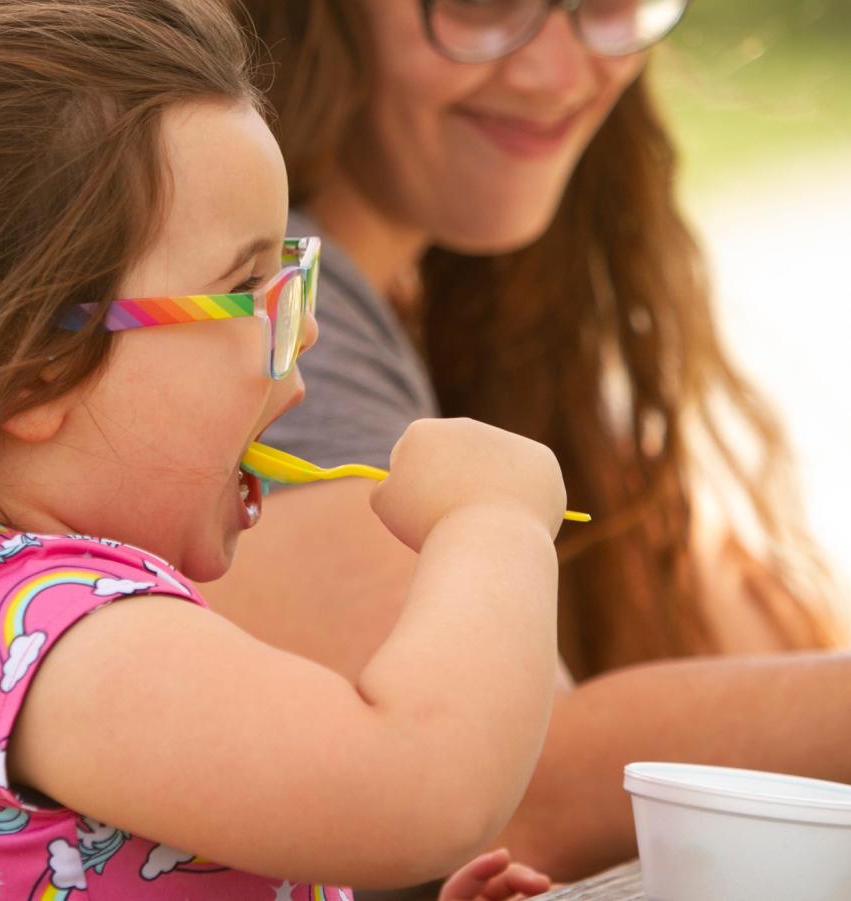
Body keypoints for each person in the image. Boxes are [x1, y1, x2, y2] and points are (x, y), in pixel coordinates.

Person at [0, 1, 568, 898]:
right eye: (251, 287)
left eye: (295, 276)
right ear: (35, 367)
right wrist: (491, 525)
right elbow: (416, 789)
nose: (306, 333)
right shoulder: (49, 631)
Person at [206, 0, 851, 888]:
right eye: (478, 3)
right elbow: (497, 791)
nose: (558, 72)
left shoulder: (473, 294)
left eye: (609, 2)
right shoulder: (268, 309)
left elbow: (741, 621)